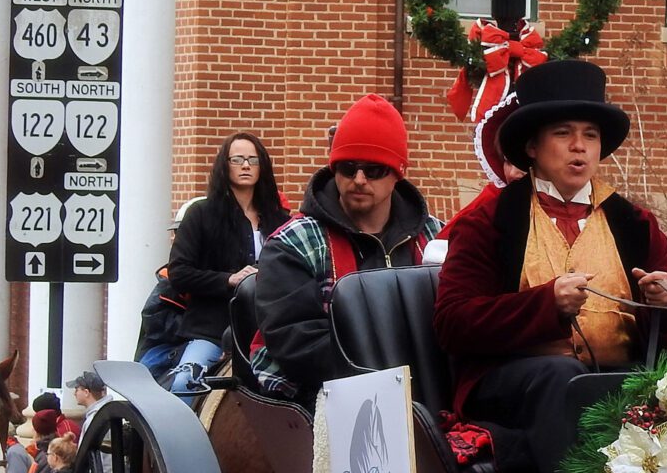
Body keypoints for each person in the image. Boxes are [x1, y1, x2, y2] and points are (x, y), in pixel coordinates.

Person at [433, 59, 667, 473]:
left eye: (590, 135)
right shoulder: (490, 222)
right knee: (561, 377)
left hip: (615, 378)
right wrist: (546, 305)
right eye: (563, 133)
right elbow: (452, 323)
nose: (579, 148)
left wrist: (661, 303)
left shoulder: (634, 223)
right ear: (533, 146)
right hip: (515, 384)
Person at [252, 94, 441, 404]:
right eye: (347, 168)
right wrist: (385, 377)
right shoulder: (292, 243)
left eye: (375, 170)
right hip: (319, 389)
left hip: (427, 386)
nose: (359, 180)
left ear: (398, 172)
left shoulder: (435, 237)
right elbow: (295, 341)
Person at [167, 132, 292, 398]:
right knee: (184, 385)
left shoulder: (280, 220)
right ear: (224, 165)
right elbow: (179, 273)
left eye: (252, 160)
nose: (245, 166)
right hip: (211, 329)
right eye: (237, 159)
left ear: (262, 167)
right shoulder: (201, 214)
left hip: (269, 330)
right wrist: (229, 280)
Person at [135, 198, 202, 384]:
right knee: (165, 376)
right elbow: (156, 322)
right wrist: (198, 330)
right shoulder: (169, 280)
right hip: (169, 347)